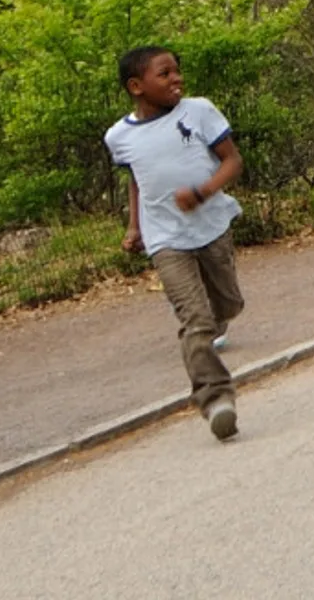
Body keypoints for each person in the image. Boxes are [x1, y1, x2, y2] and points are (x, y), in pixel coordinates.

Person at [106, 47, 246, 441]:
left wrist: (203, 192)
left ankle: (216, 324)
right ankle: (216, 399)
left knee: (228, 304)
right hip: (165, 238)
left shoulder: (198, 111)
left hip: (212, 225)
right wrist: (135, 227)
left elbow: (232, 161)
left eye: (177, 72)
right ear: (137, 86)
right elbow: (137, 180)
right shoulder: (119, 137)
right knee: (194, 322)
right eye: (164, 74)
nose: (176, 79)